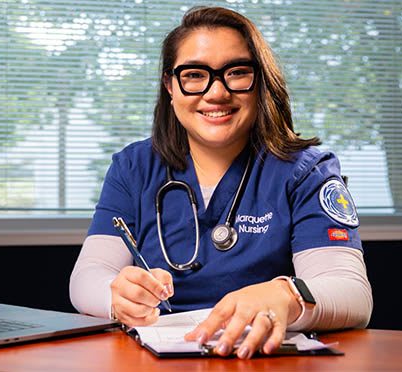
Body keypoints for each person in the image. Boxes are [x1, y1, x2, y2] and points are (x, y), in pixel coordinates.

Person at [70, 6, 372, 360]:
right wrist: (115, 295)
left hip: (264, 361)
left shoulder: (306, 172)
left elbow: (353, 293)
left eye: (237, 72)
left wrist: (287, 296)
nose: (216, 93)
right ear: (170, 86)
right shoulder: (134, 168)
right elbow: (87, 277)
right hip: (151, 361)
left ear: (260, 82)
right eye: (194, 75)